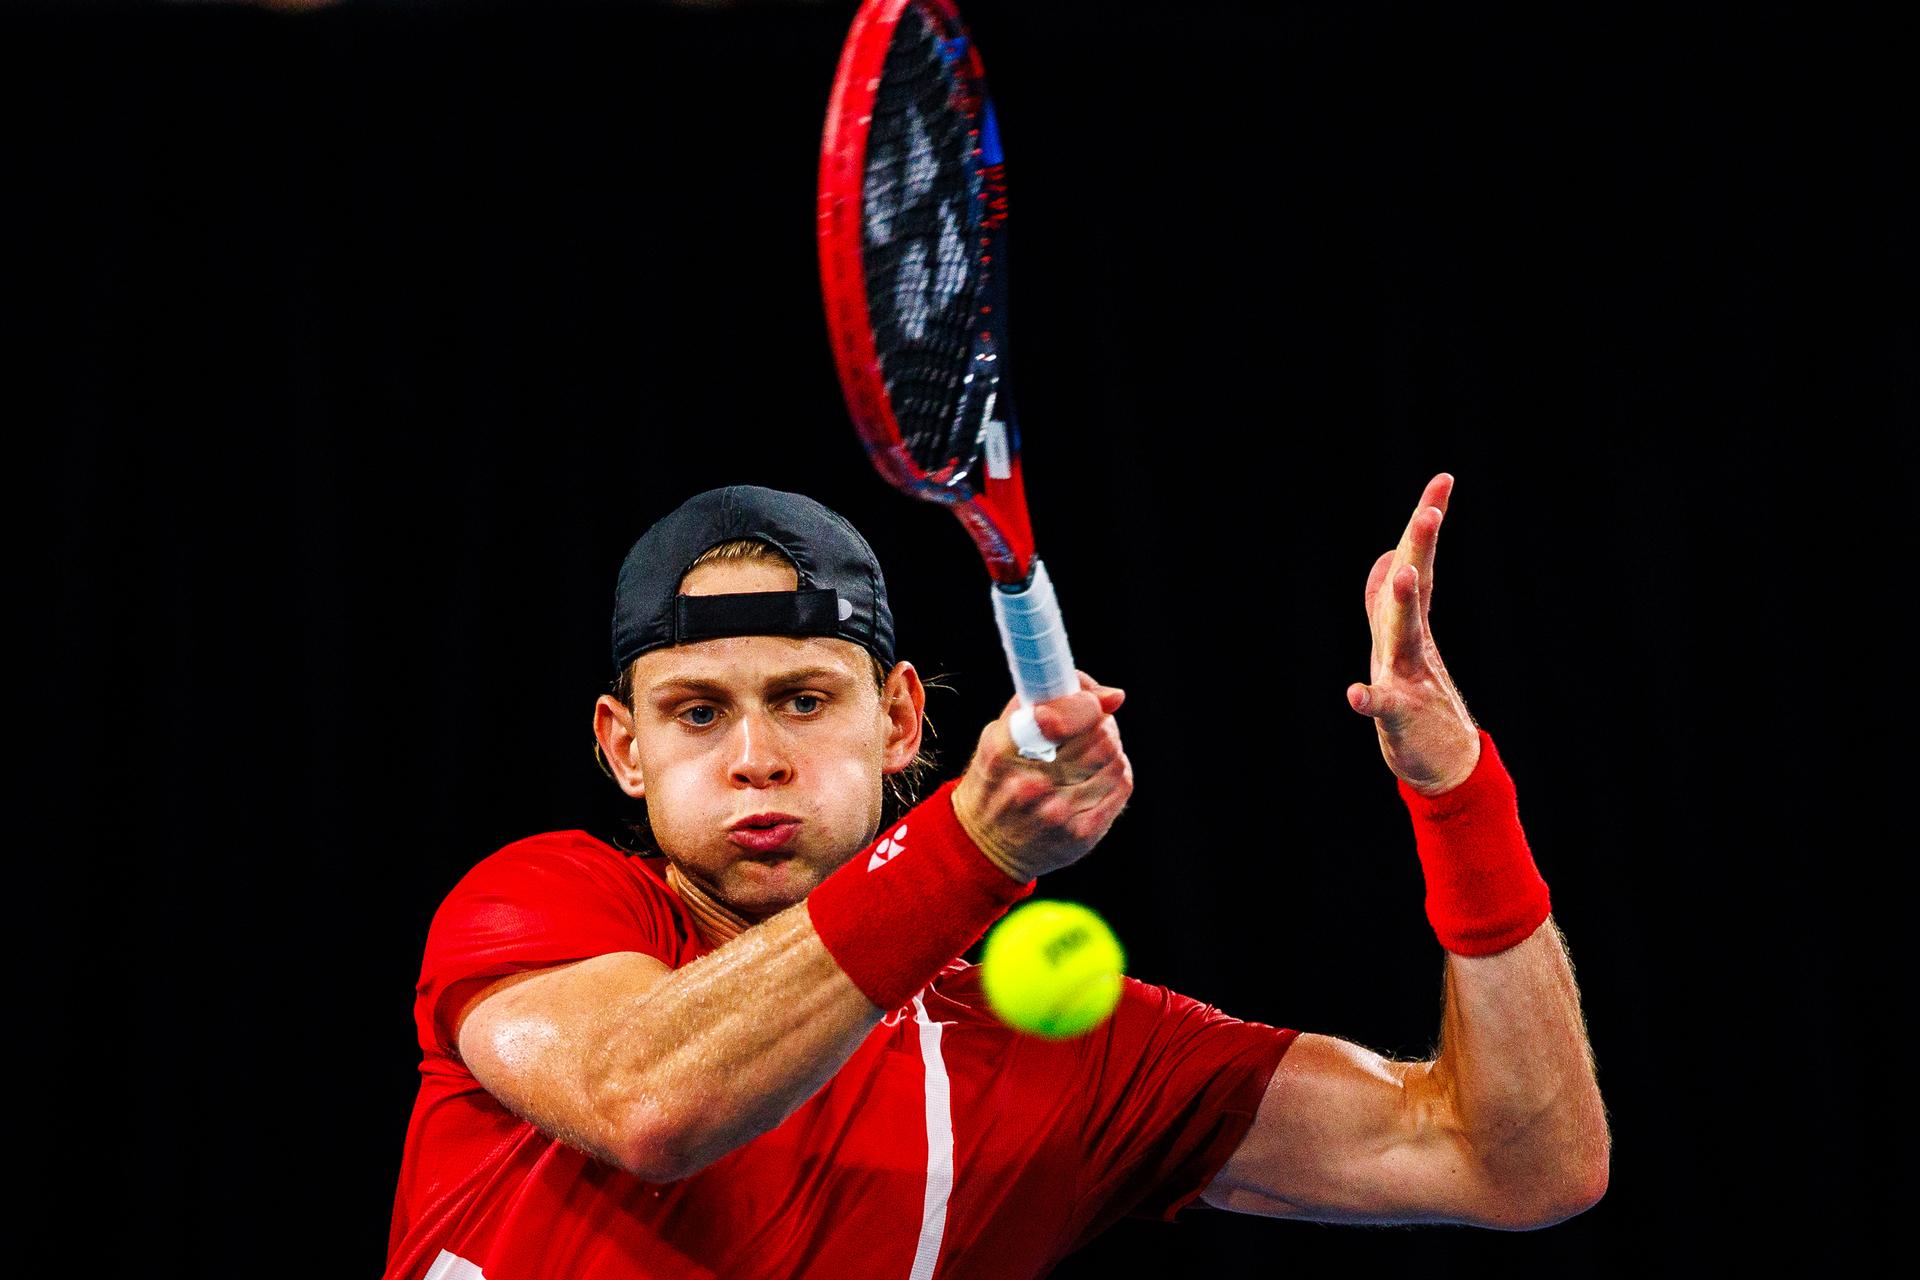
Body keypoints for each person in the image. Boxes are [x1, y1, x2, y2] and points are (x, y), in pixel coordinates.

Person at [384, 477, 1608, 1280]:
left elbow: (1515, 1161)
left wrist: (1461, 796)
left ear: (901, 716)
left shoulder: (1071, 1054)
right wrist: (972, 847)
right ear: (622, 746)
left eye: (804, 701)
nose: (755, 757)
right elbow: (651, 1098)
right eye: (697, 712)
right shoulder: (540, 901)